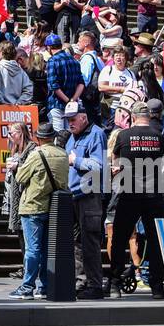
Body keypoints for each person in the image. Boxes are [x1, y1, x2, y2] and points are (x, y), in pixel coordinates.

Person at [108, 102, 164, 299]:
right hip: (154, 194)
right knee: (155, 240)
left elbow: (115, 161)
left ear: (133, 117)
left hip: (130, 191)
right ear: (149, 117)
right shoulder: (158, 136)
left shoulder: (123, 135)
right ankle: (157, 285)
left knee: (119, 238)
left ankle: (115, 283)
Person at [9, 120, 69, 299]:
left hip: (33, 205)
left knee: (32, 249)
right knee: (45, 249)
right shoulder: (63, 154)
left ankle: (27, 286)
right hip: (53, 207)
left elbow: (20, 177)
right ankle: (44, 286)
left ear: (39, 138)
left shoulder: (36, 154)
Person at [66, 103, 106, 297]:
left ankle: (95, 285)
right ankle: (82, 282)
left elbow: (99, 166)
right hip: (74, 195)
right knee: (76, 243)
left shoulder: (96, 134)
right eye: (67, 119)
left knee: (89, 242)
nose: (70, 123)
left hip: (89, 195)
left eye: (73, 119)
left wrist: (77, 161)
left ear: (84, 117)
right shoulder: (73, 136)